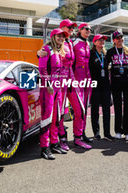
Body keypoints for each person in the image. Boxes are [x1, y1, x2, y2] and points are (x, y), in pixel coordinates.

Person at [37, 19, 91, 150]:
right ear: (61, 29)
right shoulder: (55, 44)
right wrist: (38, 54)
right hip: (57, 84)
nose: (71, 30)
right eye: (69, 27)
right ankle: (60, 139)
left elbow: (71, 64)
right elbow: (46, 55)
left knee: (80, 109)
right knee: (58, 113)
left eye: (73, 28)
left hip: (70, 81)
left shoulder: (71, 43)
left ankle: (78, 137)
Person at [39, 28, 68, 160]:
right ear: (53, 36)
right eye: (59, 36)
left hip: (59, 88)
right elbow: (42, 68)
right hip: (48, 89)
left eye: (63, 37)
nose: (61, 38)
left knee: (57, 117)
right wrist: (48, 84)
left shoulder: (60, 50)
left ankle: (54, 143)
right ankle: (44, 148)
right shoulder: (47, 49)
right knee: (47, 117)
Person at [105, 30, 128, 141]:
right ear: (113, 40)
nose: (120, 40)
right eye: (117, 38)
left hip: (127, 82)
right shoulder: (110, 52)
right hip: (116, 82)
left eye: (121, 38)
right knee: (117, 107)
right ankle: (118, 130)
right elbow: (106, 66)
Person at [89, 34, 113, 141]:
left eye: (103, 40)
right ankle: (96, 132)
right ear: (94, 42)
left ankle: (107, 133)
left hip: (105, 85)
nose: (102, 42)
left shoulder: (106, 54)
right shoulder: (90, 54)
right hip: (94, 85)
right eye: (99, 40)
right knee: (95, 109)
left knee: (107, 109)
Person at [73, 23, 93, 145]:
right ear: (80, 30)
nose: (88, 31)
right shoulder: (73, 42)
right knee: (79, 109)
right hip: (77, 78)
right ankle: (77, 136)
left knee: (85, 108)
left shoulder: (87, 43)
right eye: (86, 29)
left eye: (90, 30)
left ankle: (82, 132)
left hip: (87, 79)